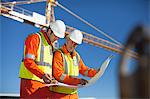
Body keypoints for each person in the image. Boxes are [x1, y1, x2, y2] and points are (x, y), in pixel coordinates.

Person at [19, 20, 66, 98]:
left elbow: (47, 68)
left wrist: (52, 79)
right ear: (50, 31)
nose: (56, 39)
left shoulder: (50, 47)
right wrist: (42, 75)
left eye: (58, 37)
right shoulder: (35, 38)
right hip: (31, 83)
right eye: (55, 36)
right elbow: (28, 61)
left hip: (45, 85)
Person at [51, 29, 98, 99]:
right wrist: (78, 81)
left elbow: (83, 70)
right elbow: (58, 75)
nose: (73, 45)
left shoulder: (76, 56)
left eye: (75, 44)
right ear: (67, 39)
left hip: (73, 94)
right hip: (59, 94)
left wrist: (96, 73)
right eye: (72, 42)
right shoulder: (59, 54)